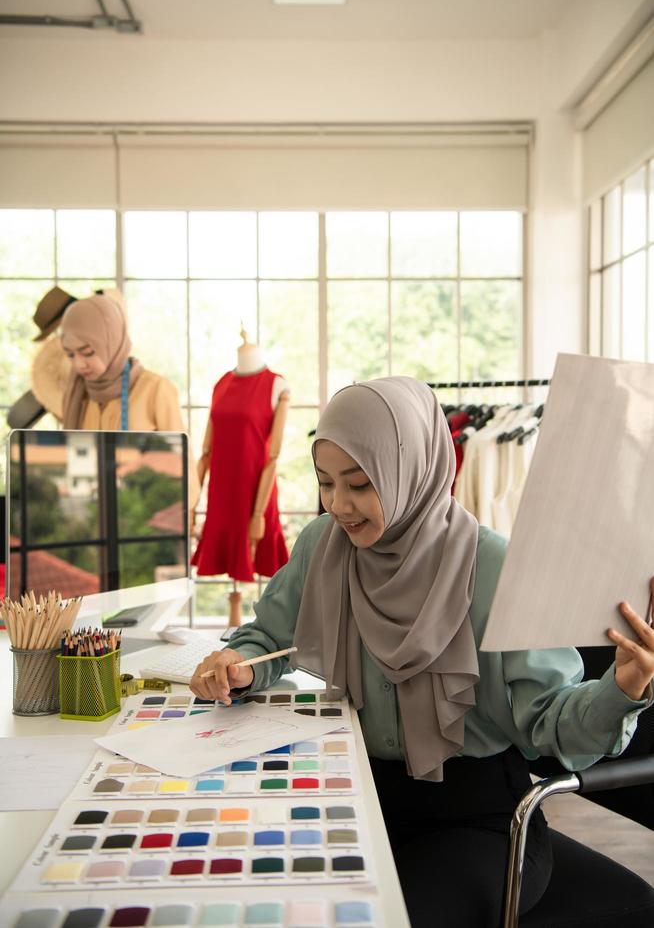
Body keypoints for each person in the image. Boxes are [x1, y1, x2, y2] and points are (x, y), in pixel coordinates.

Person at [191, 376, 654, 928]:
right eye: (325, 483)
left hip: (481, 821)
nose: (339, 505)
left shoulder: (498, 569)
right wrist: (238, 668)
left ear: (413, 471)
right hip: (352, 795)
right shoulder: (324, 546)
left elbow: (551, 726)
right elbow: (268, 640)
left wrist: (620, 690)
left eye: (361, 484)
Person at [59, 292, 199, 504]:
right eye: (70, 354)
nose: (78, 364)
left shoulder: (155, 390)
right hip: (94, 516)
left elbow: (186, 475)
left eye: (87, 352)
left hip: (146, 517)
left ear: (112, 341)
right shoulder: (77, 396)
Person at [191, 329, 289, 624]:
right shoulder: (221, 383)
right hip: (222, 491)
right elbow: (206, 449)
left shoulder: (276, 385)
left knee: (260, 563)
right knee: (228, 561)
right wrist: (192, 505)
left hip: (255, 490)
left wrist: (258, 513)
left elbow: (273, 455)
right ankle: (233, 625)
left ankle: (263, 628)